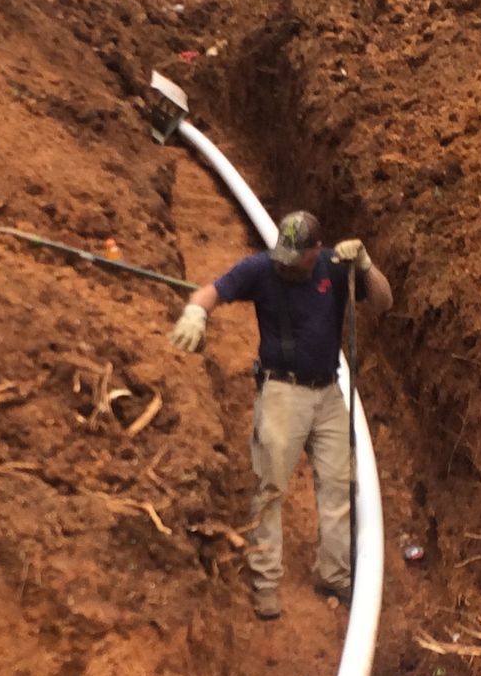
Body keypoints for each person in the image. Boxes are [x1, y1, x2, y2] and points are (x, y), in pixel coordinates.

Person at [168, 210, 391, 619]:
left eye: (296, 259)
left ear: (315, 251)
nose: (286, 267)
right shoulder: (262, 268)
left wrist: (365, 265)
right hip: (281, 392)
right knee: (270, 488)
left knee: (338, 488)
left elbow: (383, 301)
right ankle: (266, 581)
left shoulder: (335, 269)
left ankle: (335, 574)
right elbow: (210, 292)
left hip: (328, 394)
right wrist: (196, 312)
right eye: (282, 258)